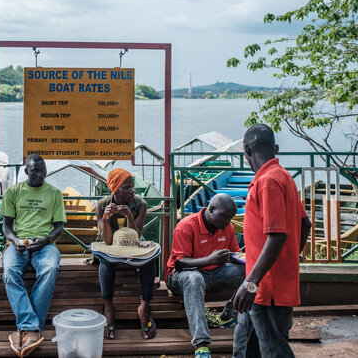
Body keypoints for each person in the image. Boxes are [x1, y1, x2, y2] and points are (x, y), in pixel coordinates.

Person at [232, 124, 312, 358]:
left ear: (246, 150)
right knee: (245, 345)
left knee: (273, 350)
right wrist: (288, 260)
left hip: (265, 289)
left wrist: (251, 284)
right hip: (261, 284)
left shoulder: (267, 181)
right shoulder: (284, 176)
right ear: (275, 148)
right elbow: (304, 224)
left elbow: (277, 236)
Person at [0, 154, 66, 358]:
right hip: (19, 243)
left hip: (44, 244)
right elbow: (6, 227)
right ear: (26, 171)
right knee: (10, 270)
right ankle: (32, 329)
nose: (40, 174)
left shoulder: (54, 193)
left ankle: (27, 329)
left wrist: (46, 240)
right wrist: (15, 241)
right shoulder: (13, 191)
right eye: (35, 170)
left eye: (43, 169)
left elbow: (59, 228)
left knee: (50, 268)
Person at [165, 193, 245, 358]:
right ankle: (201, 344)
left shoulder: (226, 227)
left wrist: (241, 258)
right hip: (181, 277)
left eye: (230, 218)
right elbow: (179, 263)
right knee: (194, 278)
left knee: (249, 272)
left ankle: (227, 315)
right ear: (211, 209)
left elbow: (235, 253)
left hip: (213, 274)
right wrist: (209, 259)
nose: (228, 222)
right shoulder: (187, 226)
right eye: (225, 216)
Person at [94, 168, 157, 340]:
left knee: (149, 261)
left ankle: (144, 306)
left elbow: (136, 237)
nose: (132, 191)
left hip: (133, 246)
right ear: (116, 189)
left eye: (133, 187)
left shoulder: (140, 204)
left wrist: (129, 215)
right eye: (127, 188)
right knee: (106, 262)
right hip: (110, 247)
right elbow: (106, 241)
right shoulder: (101, 206)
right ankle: (108, 306)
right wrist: (106, 219)